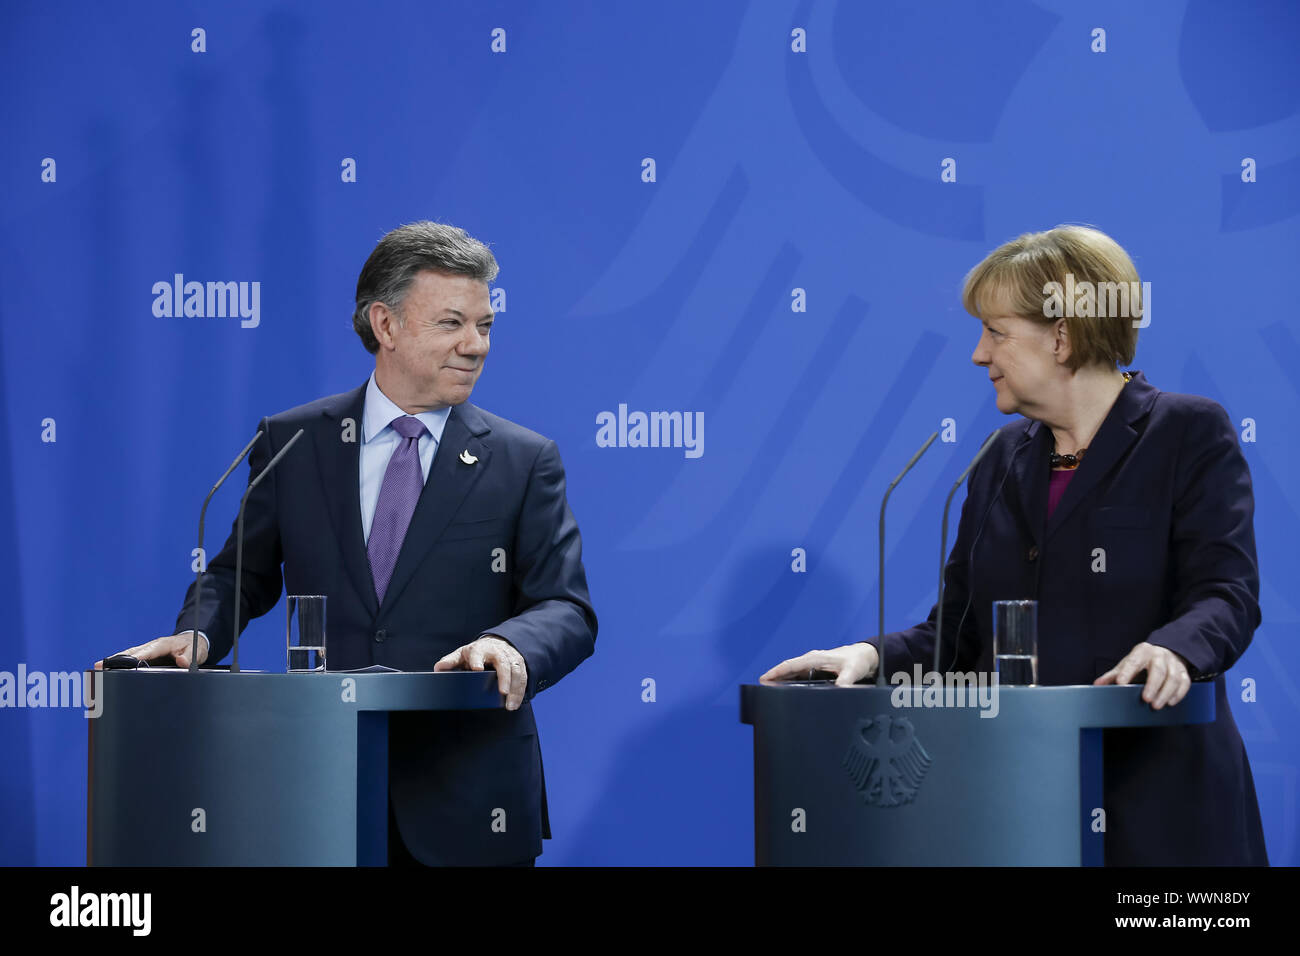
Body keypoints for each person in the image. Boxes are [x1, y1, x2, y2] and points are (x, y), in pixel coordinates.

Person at [762, 225, 1268, 866]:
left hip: (1160, 808)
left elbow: (1226, 595)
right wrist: (866, 656)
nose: (979, 355)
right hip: (1017, 809)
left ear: (1063, 336)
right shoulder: (1000, 458)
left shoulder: (1187, 433)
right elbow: (960, 636)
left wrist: (1173, 649)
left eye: (996, 333)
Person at [103, 221, 597, 866]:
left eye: (486, 326)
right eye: (451, 323)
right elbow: (239, 575)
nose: (475, 346)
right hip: (316, 789)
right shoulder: (293, 442)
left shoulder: (523, 460)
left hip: (469, 801)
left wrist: (509, 644)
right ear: (384, 325)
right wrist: (198, 633)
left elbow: (567, 607)